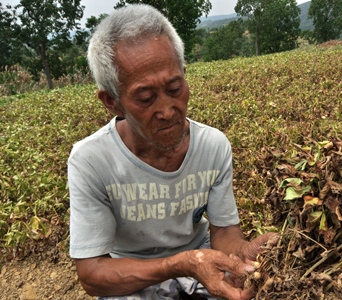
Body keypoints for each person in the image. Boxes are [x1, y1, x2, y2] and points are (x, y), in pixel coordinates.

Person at [67, 4, 274, 300]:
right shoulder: (91, 160)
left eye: (175, 88)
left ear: (185, 75)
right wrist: (178, 265)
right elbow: (93, 276)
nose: (167, 110)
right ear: (112, 101)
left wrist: (244, 251)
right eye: (146, 98)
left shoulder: (212, 146)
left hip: (202, 258)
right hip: (130, 274)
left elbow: (224, 234)